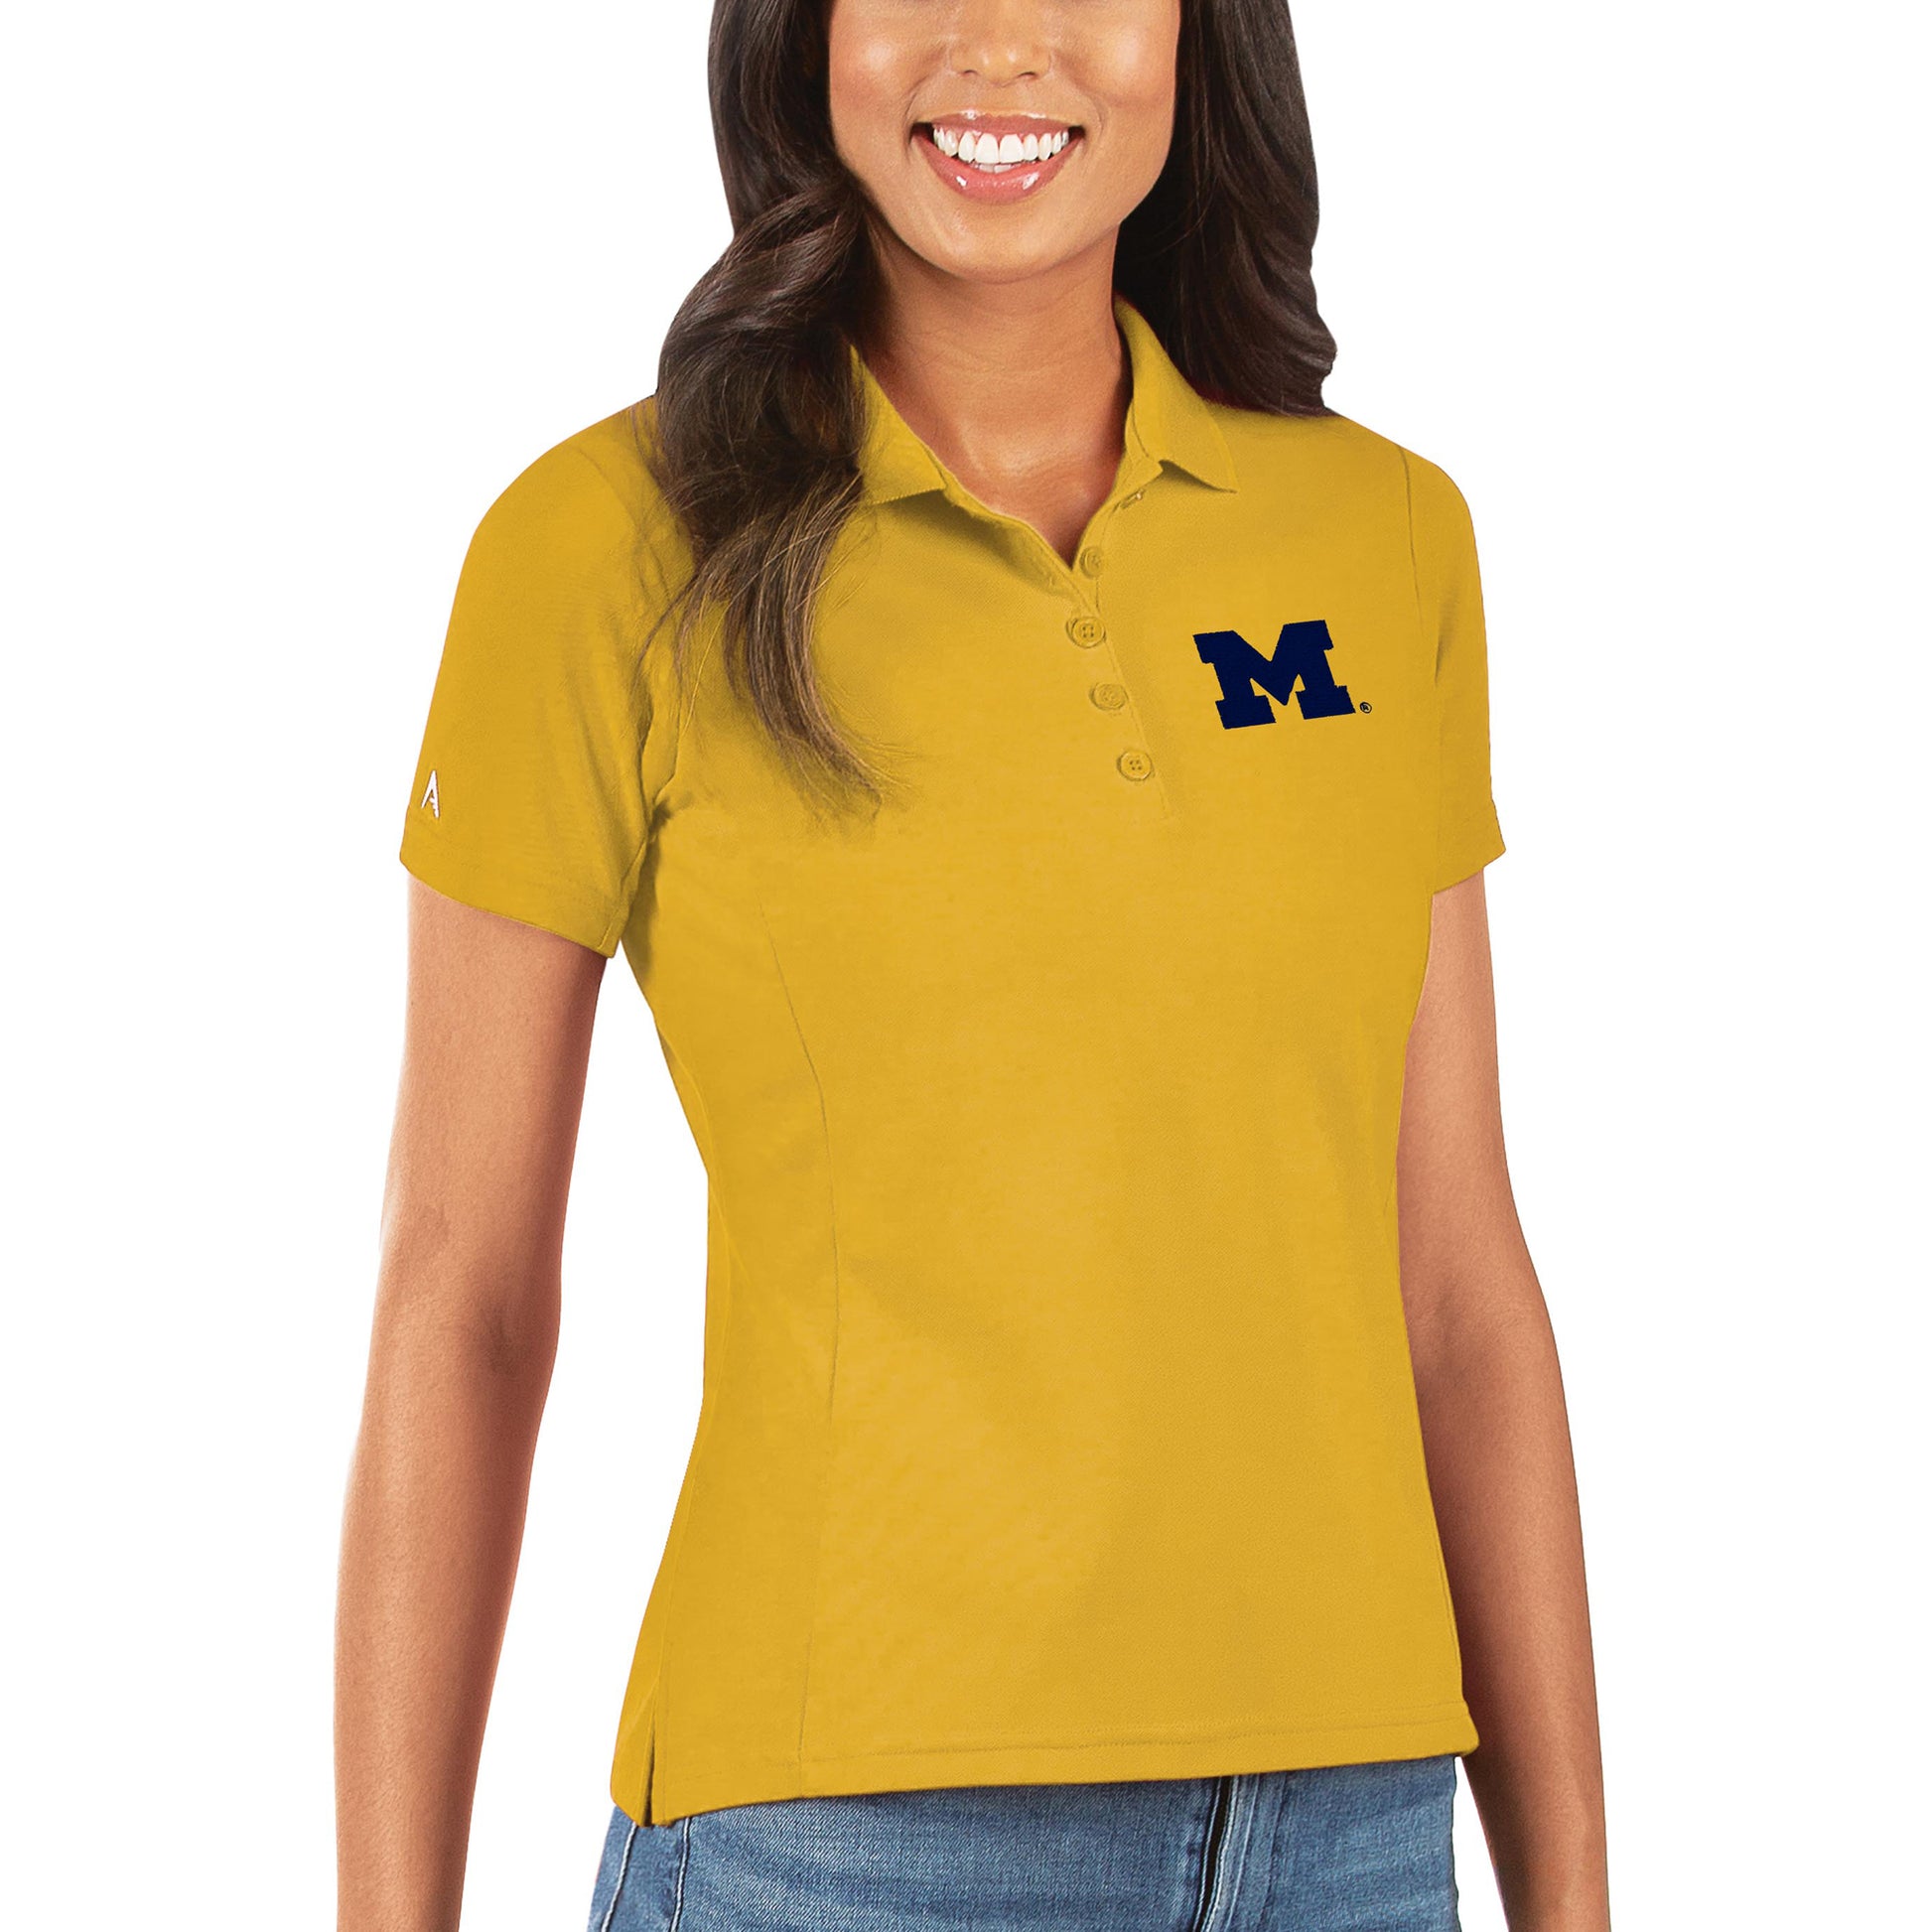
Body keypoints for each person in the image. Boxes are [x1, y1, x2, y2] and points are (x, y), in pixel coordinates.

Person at [334, 2, 1611, 1927]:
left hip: (1352, 1830)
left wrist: (1571, 1900)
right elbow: (463, 1299)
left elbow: (1456, 1289)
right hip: (844, 1842)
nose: (999, 44)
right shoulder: (603, 548)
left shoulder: (1385, 536)